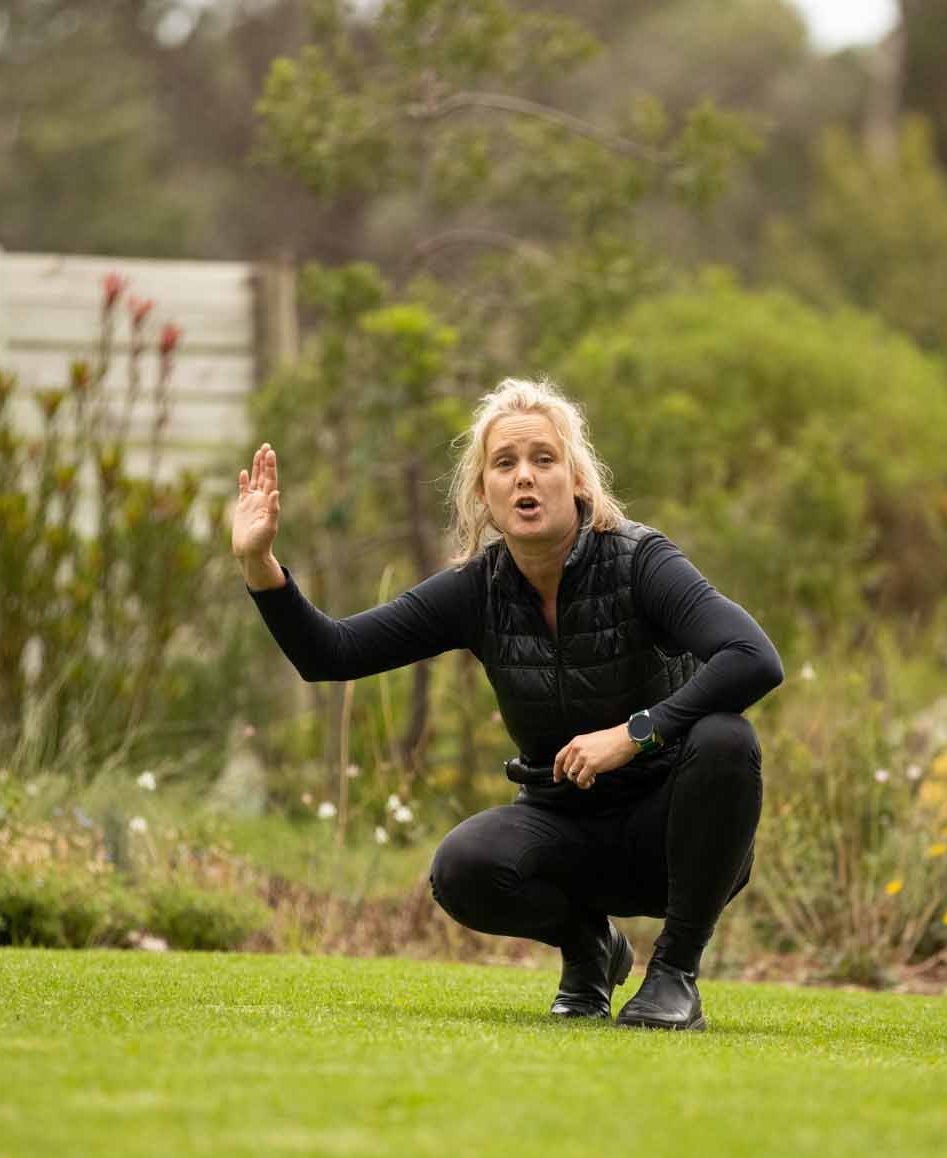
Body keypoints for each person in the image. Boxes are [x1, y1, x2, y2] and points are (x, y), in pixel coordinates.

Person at [232, 377, 782, 1030]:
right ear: (484, 496)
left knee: (727, 739)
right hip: (566, 830)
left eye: (543, 459)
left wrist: (634, 734)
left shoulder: (640, 562)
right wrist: (260, 565)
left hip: (671, 840)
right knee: (462, 868)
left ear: (576, 478)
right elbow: (332, 654)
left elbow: (754, 657)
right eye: (505, 464)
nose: (526, 477)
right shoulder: (478, 590)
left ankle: (673, 976)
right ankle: (590, 951)